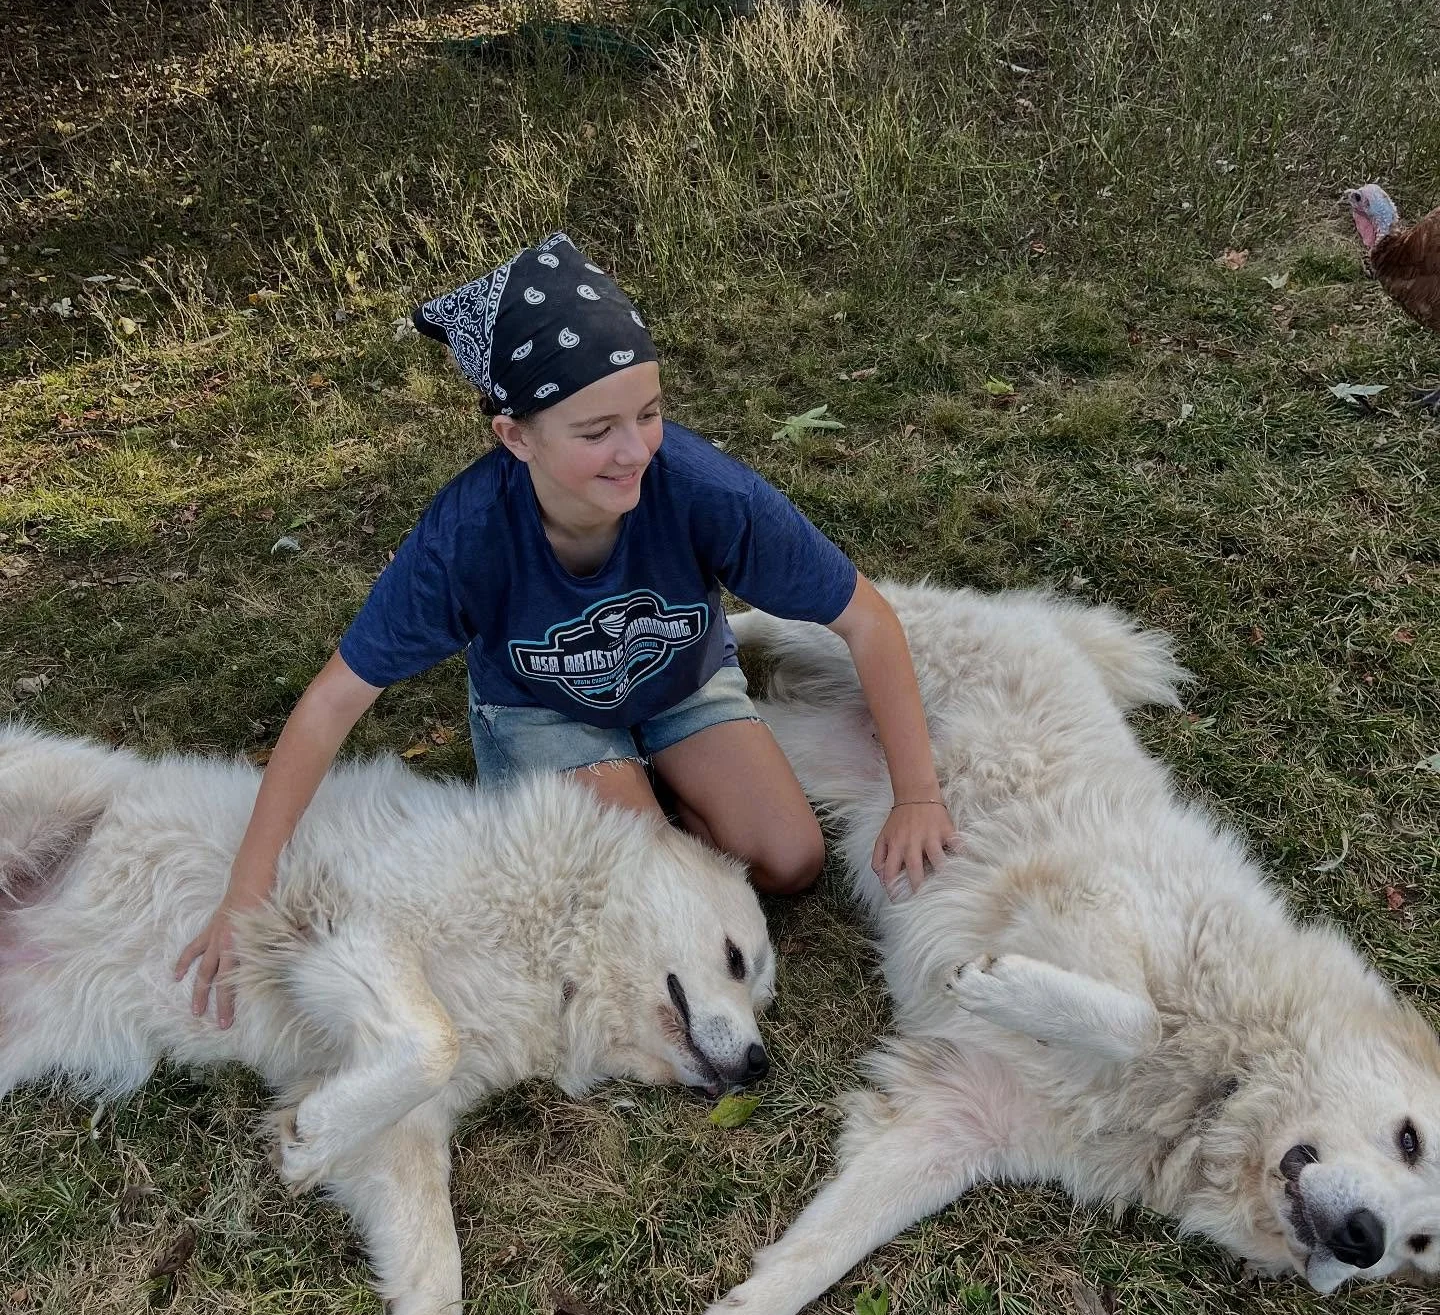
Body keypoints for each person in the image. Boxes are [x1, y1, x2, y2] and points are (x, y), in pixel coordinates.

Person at [178, 232, 958, 1026]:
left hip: (683, 683)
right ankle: (628, 803)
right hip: (543, 714)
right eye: (595, 431)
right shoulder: (465, 536)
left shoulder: (701, 489)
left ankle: (657, 793)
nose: (633, 452)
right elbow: (332, 702)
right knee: (653, 892)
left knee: (792, 861)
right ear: (516, 437)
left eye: (649, 414)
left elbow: (867, 619)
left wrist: (917, 796)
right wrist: (246, 894)